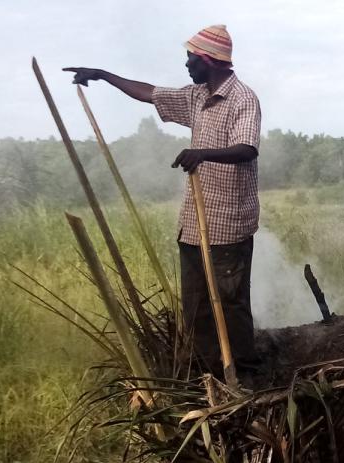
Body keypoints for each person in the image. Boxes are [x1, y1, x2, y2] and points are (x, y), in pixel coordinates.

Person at [65, 25, 262, 381]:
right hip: (194, 223)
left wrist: (202, 153)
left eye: (190, 58)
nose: (186, 65)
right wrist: (104, 75)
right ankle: (206, 372)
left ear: (209, 60)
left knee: (231, 303)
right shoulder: (196, 96)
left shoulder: (243, 100)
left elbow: (247, 149)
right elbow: (150, 93)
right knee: (197, 304)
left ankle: (244, 373)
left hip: (228, 224)